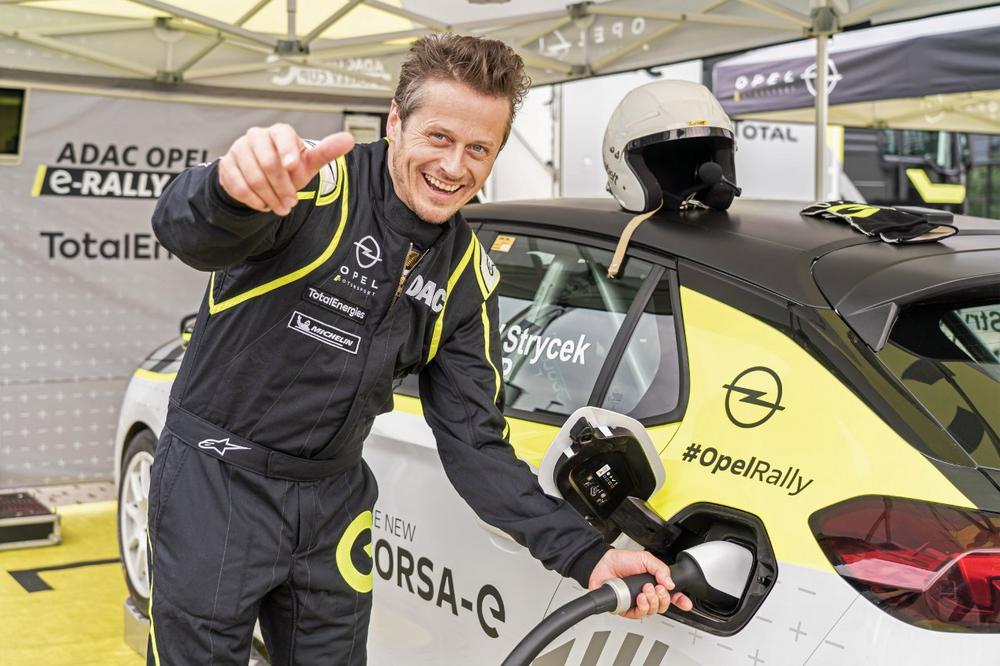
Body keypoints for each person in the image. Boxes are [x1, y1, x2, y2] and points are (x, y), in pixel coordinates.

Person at [147, 33, 691, 666]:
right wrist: (226, 190)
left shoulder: (466, 276)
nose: (455, 167)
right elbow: (189, 233)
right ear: (395, 122)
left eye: (478, 149)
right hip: (215, 483)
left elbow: (475, 445)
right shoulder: (316, 187)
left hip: (331, 502)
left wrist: (587, 556)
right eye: (438, 137)